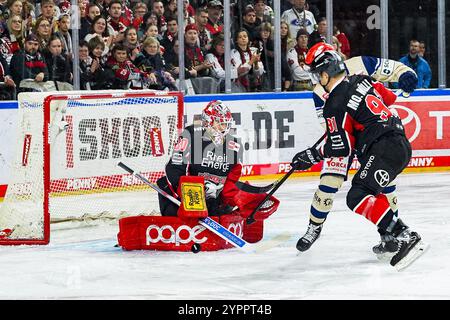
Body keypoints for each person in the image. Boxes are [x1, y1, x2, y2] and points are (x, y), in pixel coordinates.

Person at [291, 45, 427, 269]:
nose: (315, 79)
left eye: (316, 74)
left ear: (325, 73)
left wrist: (311, 154)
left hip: (373, 143)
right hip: (394, 141)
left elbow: (339, 144)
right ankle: (388, 234)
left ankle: (403, 234)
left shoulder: (339, 92)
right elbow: (388, 98)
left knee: (358, 195)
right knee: (358, 187)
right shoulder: (363, 79)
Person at [156, 100, 242, 217]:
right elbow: (174, 168)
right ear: (208, 120)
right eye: (220, 123)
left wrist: (234, 200)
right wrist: (193, 196)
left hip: (212, 200)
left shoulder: (234, 146)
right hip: (184, 197)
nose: (223, 128)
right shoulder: (190, 135)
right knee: (165, 183)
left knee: (237, 201)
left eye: (226, 124)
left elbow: (232, 180)